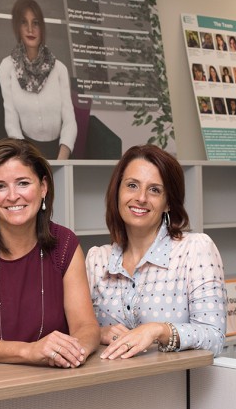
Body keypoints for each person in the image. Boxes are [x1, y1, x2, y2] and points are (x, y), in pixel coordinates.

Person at [0, 138, 100, 368]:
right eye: (0, 186)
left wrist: (74, 352)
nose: (12, 196)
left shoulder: (65, 244)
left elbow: (86, 327)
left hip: (58, 379)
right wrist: (30, 351)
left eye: (23, 183)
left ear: (43, 187)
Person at [86, 145, 226, 360]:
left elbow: (215, 338)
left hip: (176, 388)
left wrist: (158, 330)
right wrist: (98, 334)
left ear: (168, 202)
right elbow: (74, 333)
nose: (141, 198)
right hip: (109, 389)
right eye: (132, 185)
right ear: (117, 192)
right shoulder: (97, 260)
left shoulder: (196, 250)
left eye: (154, 190)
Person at [0, 0, 77, 160]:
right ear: (17, 28)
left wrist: (61, 161)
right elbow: (11, 120)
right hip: (26, 154)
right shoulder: (7, 67)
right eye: (23, 23)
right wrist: (25, 159)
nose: (30, 29)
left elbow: (70, 121)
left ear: (42, 27)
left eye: (35, 23)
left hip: (60, 153)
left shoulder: (59, 69)